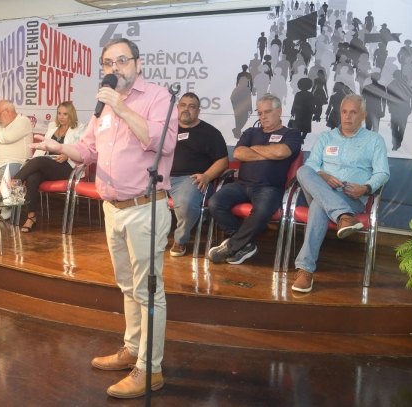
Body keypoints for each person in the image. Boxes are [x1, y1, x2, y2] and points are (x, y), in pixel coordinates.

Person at [29, 38, 177, 399]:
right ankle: (131, 349)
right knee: (127, 286)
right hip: (112, 209)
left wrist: (122, 107)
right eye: (108, 63)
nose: (115, 69)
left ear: (138, 65)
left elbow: (162, 144)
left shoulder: (156, 97)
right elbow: (89, 149)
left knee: (148, 291)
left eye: (122, 61)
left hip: (145, 207)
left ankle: (150, 368)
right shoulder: (103, 108)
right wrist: (60, 147)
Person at [291, 94, 390, 293]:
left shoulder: (374, 140)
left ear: (363, 115)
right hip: (322, 188)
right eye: (344, 112)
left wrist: (366, 188)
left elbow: (382, 172)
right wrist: (323, 175)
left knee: (319, 206)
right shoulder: (326, 137)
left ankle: (305, 270)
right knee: (303, 170)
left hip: (351, 196)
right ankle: (343, 216)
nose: (348, 117)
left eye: (353, 112)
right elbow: (311, 165)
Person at [207, 94, 301, 264]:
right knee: (215, 202)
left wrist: (254, 150)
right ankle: (245, 245)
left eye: (268, 112)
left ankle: (232, 246)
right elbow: (238, 153)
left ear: (279, 111)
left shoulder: (291, 134)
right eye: (260, 113)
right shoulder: (251, 132)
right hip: (241, 185)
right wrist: (269, 153)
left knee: (262, 211)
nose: (263, 117)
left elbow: (281, 152)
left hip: (269, 187)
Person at [169, 92, 229, 257]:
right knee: (139, 195)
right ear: (177, 108)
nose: (186, 109)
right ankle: (147, 238)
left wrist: (207, 176)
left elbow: (223, 161)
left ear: (198, 111)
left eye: (191, 106)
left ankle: (180, 241)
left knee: (186, 202)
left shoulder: (210, 133)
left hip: (191, 179)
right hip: (162, 177)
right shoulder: (167, 128)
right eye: (183, 105)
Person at [13, 102, 86, 232]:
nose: (61, 117)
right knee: (32, 178)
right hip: (49, 165)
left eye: (65, 114)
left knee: (40, 161)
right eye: (59, 113)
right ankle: (31, 217)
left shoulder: (79, 128)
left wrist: (68, 155)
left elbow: (83, 150)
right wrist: (31, 162)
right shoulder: (52, 128)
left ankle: (12, 184)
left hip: (67, 168)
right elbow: (41, 151)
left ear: (71, 115)